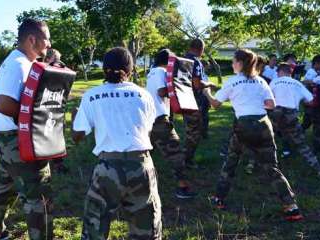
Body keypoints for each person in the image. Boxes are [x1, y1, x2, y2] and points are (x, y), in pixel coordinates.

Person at [203, 49, 303, 222]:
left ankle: (219, 199)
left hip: (243, 125)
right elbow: (271, 105)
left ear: (240, 63)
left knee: (231, 163)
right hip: (264, 124)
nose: (232, 64)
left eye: (234, 61)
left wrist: (206, 91)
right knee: (272, 167)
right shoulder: (261, 81)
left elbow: (215, 104)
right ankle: (291, 207)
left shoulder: (232, 81)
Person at [72, 47, 162, 240]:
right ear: (130, 70)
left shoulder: (92, 95)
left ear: (104, 69)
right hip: (141, 165)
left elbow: (77, 135)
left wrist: (74, 120)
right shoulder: (144, 95)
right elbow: (147, 129)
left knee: (95, 227)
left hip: (107, 168)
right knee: (147, 229)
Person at [0, 18, 53, 240]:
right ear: (32, 39)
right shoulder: (18, 65)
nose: (49, 44)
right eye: (47, 39)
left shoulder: (23, 62)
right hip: (17, 139)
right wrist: (33, 118)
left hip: (10, 140)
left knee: (5, 186)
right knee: (37, 193)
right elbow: (3, 103)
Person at [146, 49, 197, 199]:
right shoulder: (159, 72)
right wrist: (181, 93)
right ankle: (182, 187)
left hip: (152, 119)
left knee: (145, 153)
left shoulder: (154, 72)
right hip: (159, 120)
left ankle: (130, 184)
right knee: (175, 153)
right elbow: (162, 92)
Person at [268, 63, 320, 182]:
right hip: (291, 116)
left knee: (267, 140)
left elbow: (268, 99)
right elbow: (311, 101)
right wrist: (301, 101)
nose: (276, 74)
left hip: (276, 114)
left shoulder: (274, 82)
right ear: (290, 72)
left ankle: (260, 167)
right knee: (302, 145)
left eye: (277, 72)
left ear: (280, 72)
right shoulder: (298, 84)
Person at [183, 39, 216, 168]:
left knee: (189, 130)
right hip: (194, 101)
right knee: (195, 133)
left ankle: (185, 157)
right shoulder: (195, 61)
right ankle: (187, 160)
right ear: (201, 48)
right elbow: (197, 84)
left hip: (184, 98)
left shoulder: (182, 59)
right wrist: (210, 84)